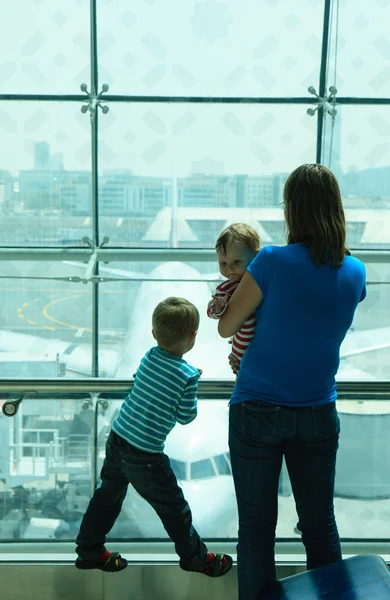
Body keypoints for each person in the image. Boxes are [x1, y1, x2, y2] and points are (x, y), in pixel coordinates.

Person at [218, 164, 367, 600]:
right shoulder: (355, 272)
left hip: (256, 409)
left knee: (257, 529)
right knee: (320, 525)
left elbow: (228, 327)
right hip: (319, 412)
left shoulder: (271, 261)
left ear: (292, 210)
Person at [75, 297, 232, 578]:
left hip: (118, 438)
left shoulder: (149, 355)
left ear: (154, 334)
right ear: (192, 336)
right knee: (175, 509)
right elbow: (186, 416)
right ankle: (196, 558)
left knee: (107, 497)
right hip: (145, 454)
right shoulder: (187, 375)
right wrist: (192, 382)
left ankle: (89, 550)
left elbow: (140, 379)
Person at [207, 223, 260, 374]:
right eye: (223, 263)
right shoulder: (225, 289)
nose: (229, 268)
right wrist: (217, 308)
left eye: (236, 262)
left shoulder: (263, 281)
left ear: (256, 256)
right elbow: (212, 312)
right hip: (241, 353)